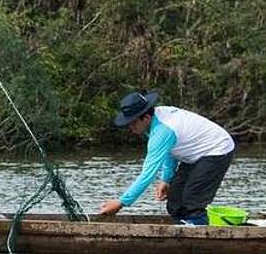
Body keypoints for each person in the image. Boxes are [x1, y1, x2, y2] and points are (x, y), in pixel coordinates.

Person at [98, 91, 236, 224]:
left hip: (217, 149)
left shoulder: (162, 130)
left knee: (192, 201)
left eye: (133, 123)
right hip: (194, 153)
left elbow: (147, 174)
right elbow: (171, 149)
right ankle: (183, 228)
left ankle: (197, 232)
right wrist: (166, 179)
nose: (131, 127)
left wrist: (121, 203)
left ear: (145, 118)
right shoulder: (155, 121)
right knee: (175, 201)